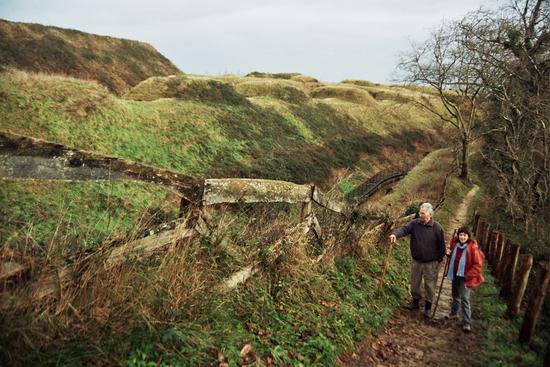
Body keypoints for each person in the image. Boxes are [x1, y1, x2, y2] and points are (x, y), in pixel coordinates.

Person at [389, 202, 445, 319]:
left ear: (429, 214)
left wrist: (438, 261)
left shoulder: (437, 228)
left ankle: (428, 307)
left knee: (429, 285)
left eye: (422, 213)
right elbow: (404, 229)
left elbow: (441, 246)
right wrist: (395, 234)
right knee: (415, 282)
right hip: (417, 260)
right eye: (420, 212)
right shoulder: (415, 224)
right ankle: (415, 301)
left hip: (431, 262)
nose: (420, 214)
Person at [446, 226, 484, 332]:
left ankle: (466, 322)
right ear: (458, 235)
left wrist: (468, 275)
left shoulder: (472, 248)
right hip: (455, 274)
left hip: (466, 277)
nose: (462, 237)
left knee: (465, 299)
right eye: (460, 235)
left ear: (468, 236)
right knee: (455, 296)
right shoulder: (455, 244)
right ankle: (453, 314)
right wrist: (448, 254)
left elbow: (478, 265)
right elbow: (453, 255)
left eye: (464, 235)